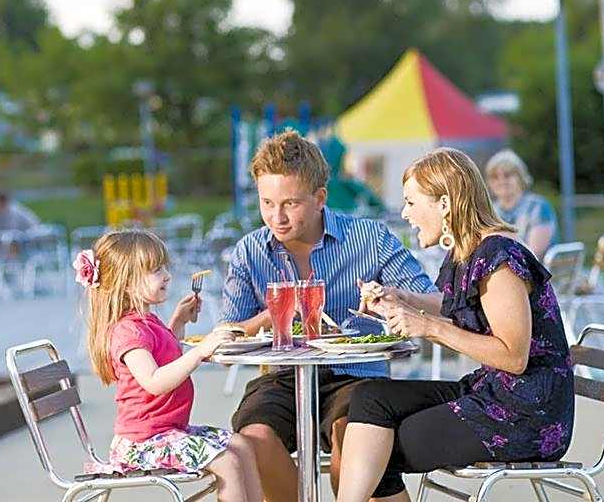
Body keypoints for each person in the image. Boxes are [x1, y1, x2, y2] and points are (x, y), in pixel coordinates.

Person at [337, 148, 574, 502]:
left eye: (411, 203)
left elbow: (513, 357)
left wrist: (428, 326)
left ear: (445, 204)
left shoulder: (499, 259)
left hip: (525, 414)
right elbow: (457, 306)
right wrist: (400, 298)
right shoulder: (468, 251)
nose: (405, 214)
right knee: (371, 398)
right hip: (493, 392)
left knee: (377, 451)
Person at [220, 129, 437, 502]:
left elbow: (430, 300)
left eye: (290, 203)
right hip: (283, 377)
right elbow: (228, 334)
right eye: (267, 203)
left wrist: (393, 298)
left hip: (355, 375)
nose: (277, 216)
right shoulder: (249, 252)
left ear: (320, 198)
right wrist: (268, 318)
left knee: (350, 433)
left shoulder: (370, 239)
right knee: (253, 437)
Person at [81, 229, 263, 502]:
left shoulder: (147, 321)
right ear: (127, 283)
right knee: (226, 462)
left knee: (242, 446)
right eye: (155, 270)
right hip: (142, 443)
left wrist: (178, 323)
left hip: (168, 432)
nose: (166, 275)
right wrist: (201, 351)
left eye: (163, 267)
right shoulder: (127, 332)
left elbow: (164, 354)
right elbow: (154, 380)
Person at [484, 149, 559, 259]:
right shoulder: (489, 212)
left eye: (507, 175)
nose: (501, 181)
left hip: (535, 273)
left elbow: (533, 255)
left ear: (520, 177)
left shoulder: (538, 207)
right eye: (495, 177)